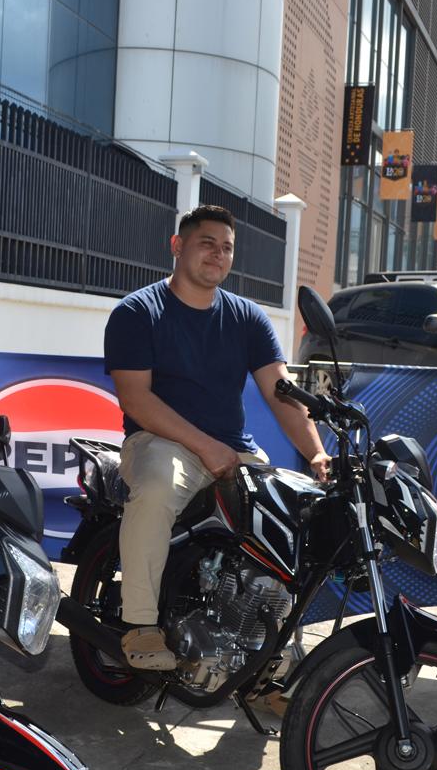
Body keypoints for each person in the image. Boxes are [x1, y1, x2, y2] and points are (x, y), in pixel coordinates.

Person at [103, 204, 331, 670]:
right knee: (157, 488)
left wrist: (318, 454)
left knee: (289, 521)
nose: (218, 254)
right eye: (207, 242)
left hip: (235, 450)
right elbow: (135, 399)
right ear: (177, 245)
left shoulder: (247, 317)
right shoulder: (137, 311)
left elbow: (282, 394)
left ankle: (272, 658)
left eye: (227, 247)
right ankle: (140, 625)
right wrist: (205, 446)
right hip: (158, 442)